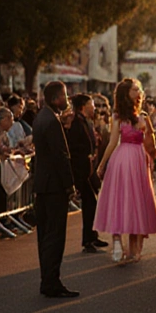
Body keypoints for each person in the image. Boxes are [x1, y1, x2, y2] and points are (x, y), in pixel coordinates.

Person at [94, 79, 156, 265]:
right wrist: (101, 164)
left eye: (139, 89)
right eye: (135, 90)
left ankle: (120, 242)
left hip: (123, 158)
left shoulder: (120, 117)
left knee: (122, 200)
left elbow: (113, 142)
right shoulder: (140, 117)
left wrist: (103, 164)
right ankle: (133, 250)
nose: (139, 92)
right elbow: (149, 145)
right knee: (137, 202)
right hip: (135, 159)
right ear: (126, 93)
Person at [31, 81, 78, 298]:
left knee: (45, 235)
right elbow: (61, 156)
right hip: (53, 186)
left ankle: (47, 279)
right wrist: (69, 185)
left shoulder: (43, 117)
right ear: (55, 98)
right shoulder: (51, 121)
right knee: (54, 235)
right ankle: (51, 281)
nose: (67, 100)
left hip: (43, 184)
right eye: (64, 96)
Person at [65, 93, 106, 253]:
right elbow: (74, 148)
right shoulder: (76, 123)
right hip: (81, 170)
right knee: (90, 202)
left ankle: (92, 236)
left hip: (88, 169)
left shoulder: (85, 121)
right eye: (92, 104)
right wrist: (86, 156)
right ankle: (87, 239)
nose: (94, 107)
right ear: (83, 106)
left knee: (92, 203)